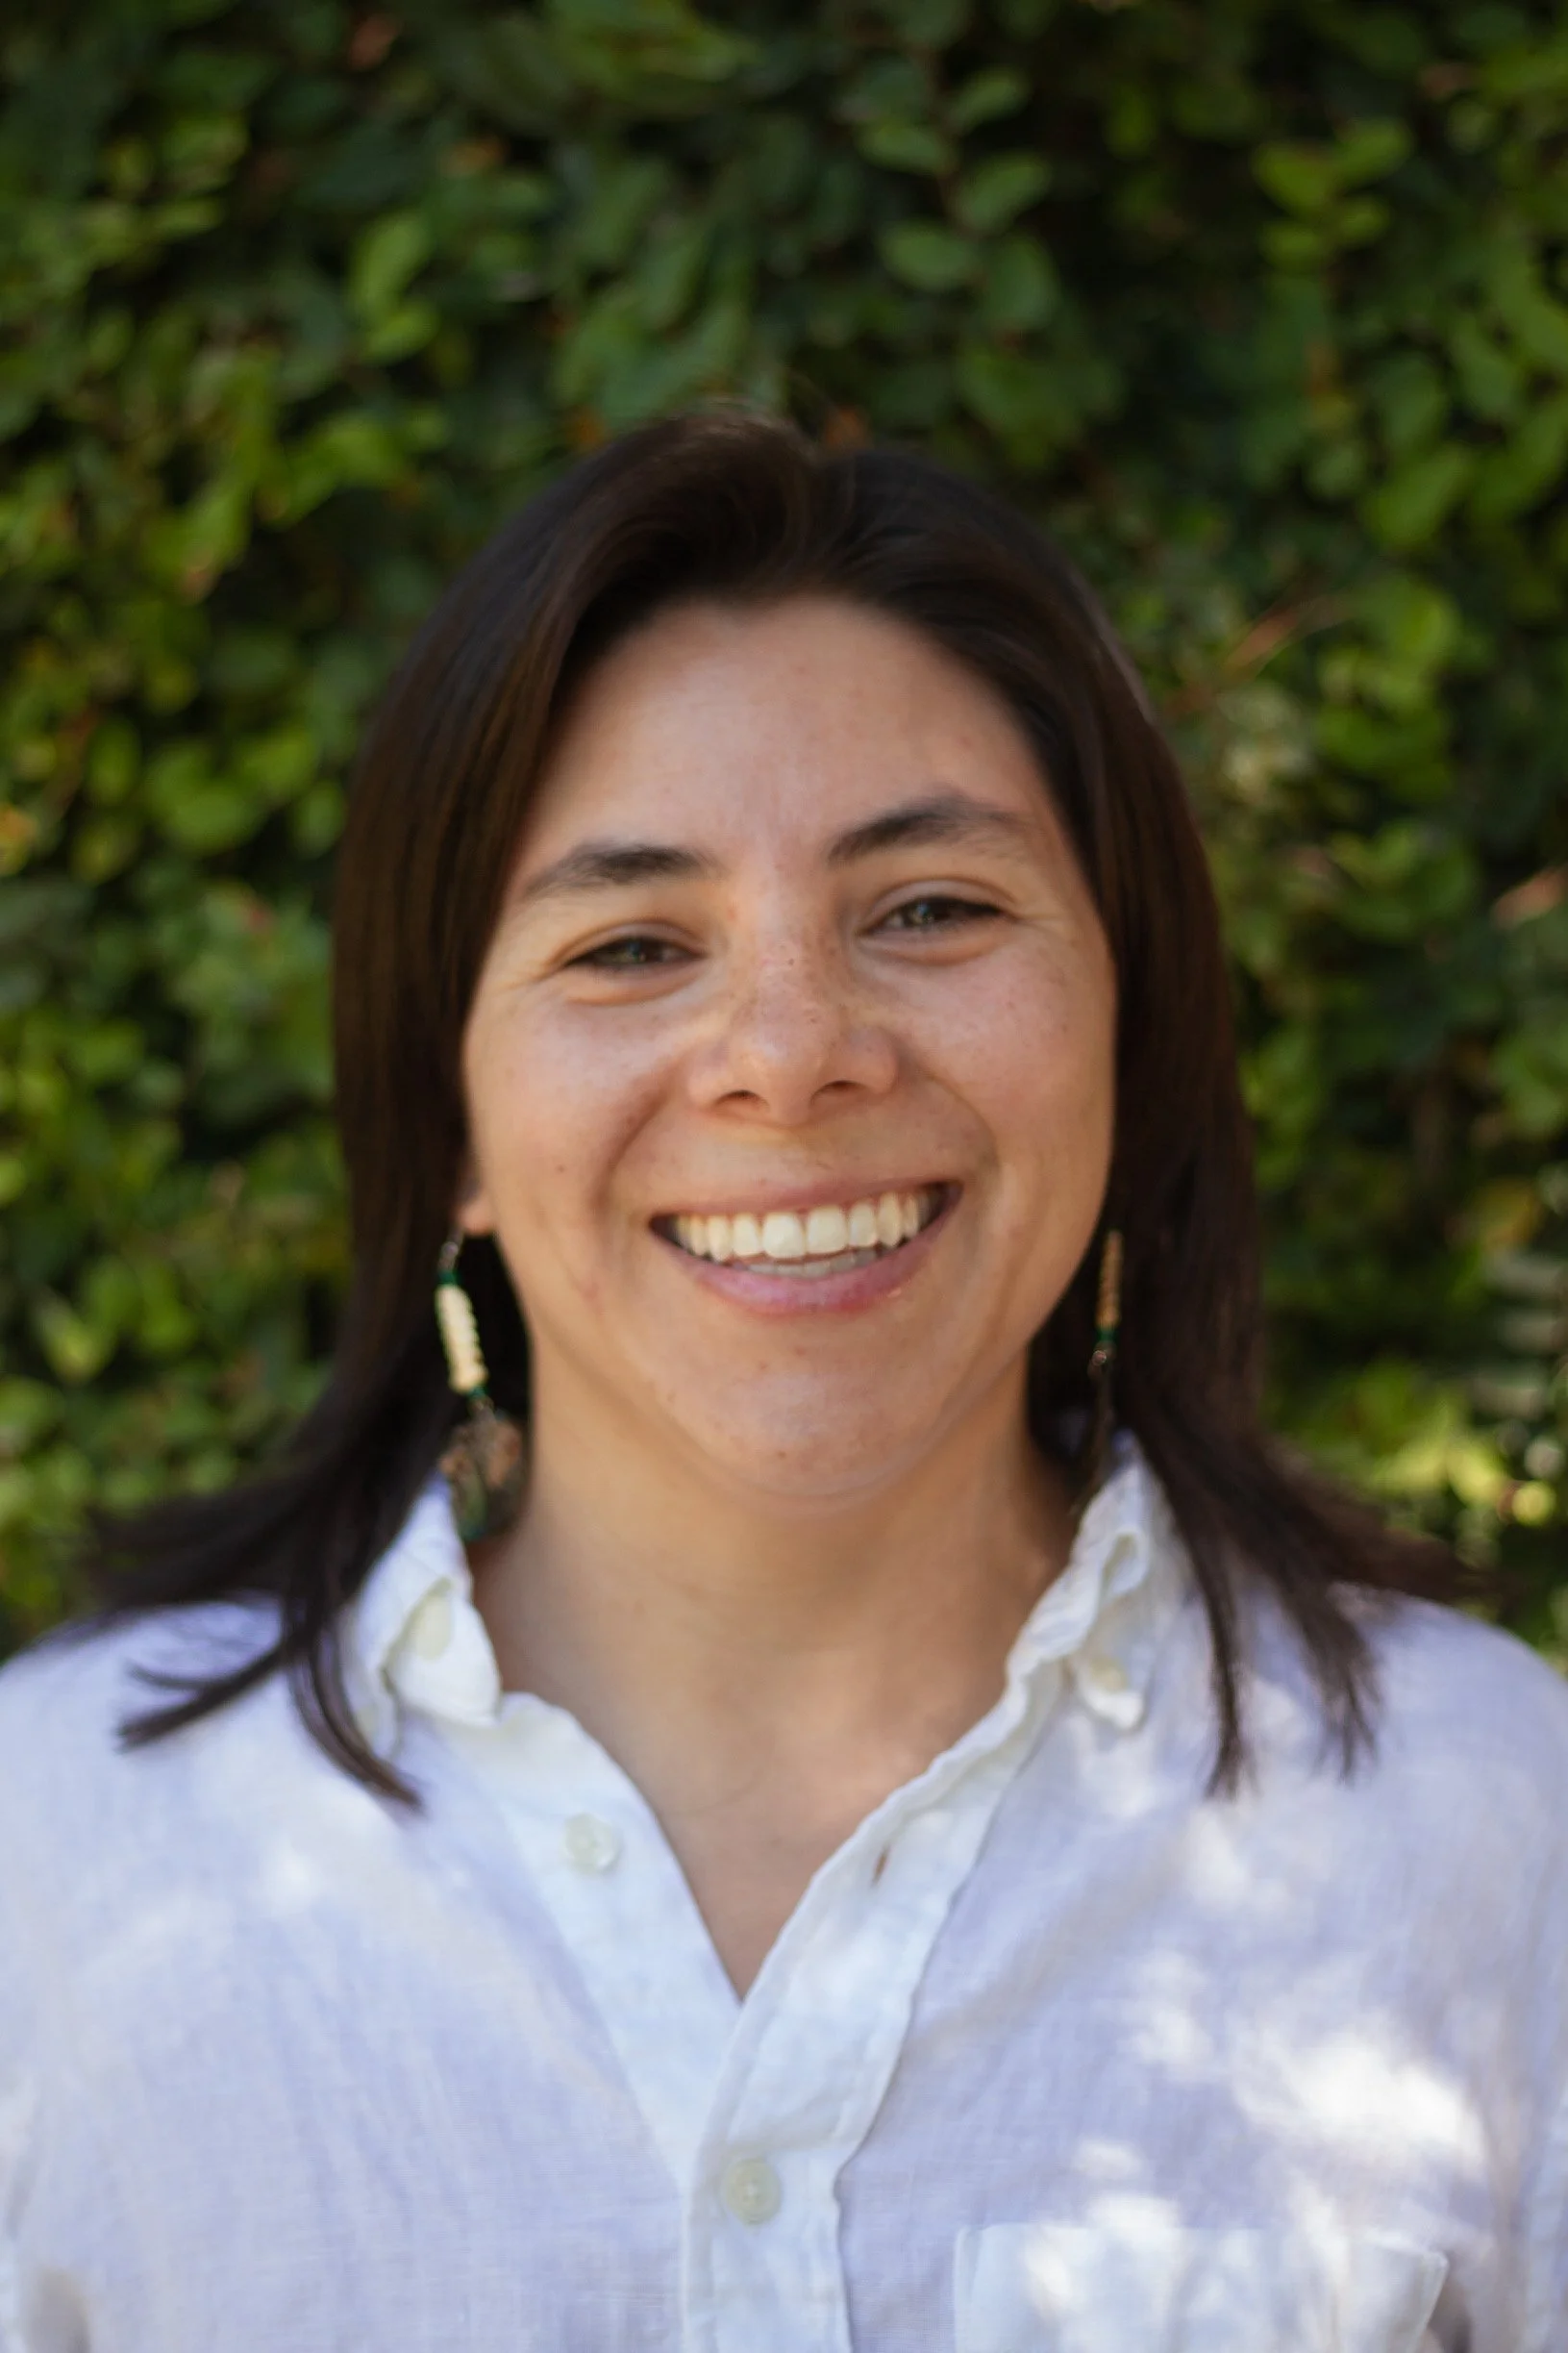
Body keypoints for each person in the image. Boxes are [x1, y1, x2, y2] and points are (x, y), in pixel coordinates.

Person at [0, 412, 1563, 2353]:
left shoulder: (1492, 1824)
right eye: (633, 942)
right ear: (453, 1114)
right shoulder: (55, 1857)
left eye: (926, 910)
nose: (789, 1052)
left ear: (1124, 1025)